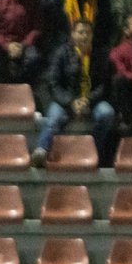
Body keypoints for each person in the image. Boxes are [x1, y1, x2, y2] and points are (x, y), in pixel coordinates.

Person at [33, 20, 118, 169]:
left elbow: (104, 85)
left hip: (92, 101)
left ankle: (94, 149)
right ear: (72, 35)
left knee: (107, 113)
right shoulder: (61, 53)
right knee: (54, 118)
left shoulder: (100, 55)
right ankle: (41, 151)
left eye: (88, 33)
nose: (84, 36)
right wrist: (71, 102)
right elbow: (53, 83)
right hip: (65, 100)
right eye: (80, 32)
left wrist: (88, 101)